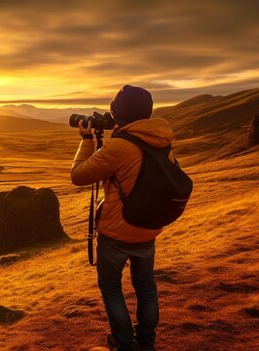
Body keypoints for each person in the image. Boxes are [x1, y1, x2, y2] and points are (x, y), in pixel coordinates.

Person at [71, 85, 176, 351]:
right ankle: (146, 341)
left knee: (111, 286)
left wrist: (86, 141)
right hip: (148, 229)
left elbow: (78, 175)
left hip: (116, 234)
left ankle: (124, 343)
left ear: (118, 113)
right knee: (146, 285)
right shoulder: (162, 142)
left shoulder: (119, 147)